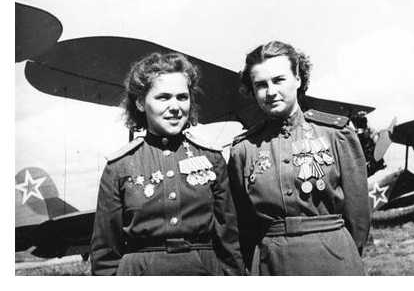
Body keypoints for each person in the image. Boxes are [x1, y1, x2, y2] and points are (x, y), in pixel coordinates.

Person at [90, 52, 244, 275]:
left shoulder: (212, 158)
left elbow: (230, 241)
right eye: (163, 97)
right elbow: (105, 254)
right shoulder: (119, 167)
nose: (175, 106)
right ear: (141, 103)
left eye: (182, 97)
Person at [228, 41, 370, 275]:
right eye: (261, 85)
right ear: (252, 91)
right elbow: (243, 224)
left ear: (298, 79)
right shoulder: (244, 149)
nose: (271, 91)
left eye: (279, 80)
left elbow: (359, 216)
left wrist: (345, 257)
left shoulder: (336, 134)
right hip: (270, 264)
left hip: (333, 259)